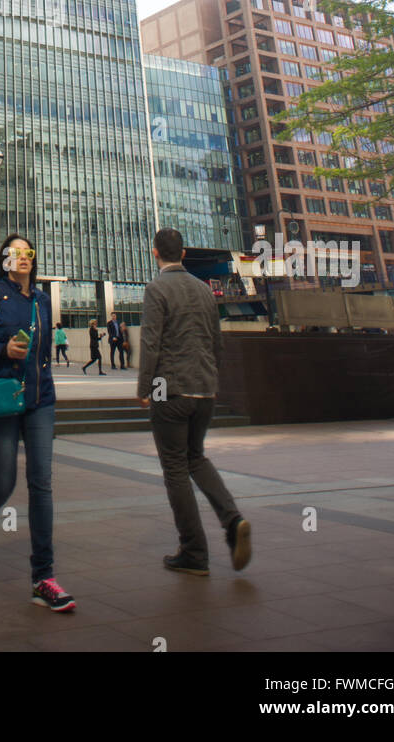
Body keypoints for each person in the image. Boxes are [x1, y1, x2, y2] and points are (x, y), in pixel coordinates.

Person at [0, 234, 76, 612]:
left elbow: (43, 355)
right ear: (5, 260)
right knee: (4, 481)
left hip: (40, 400)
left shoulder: (43, 300)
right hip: (2, 397)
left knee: (41, 484)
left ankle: (43, 577)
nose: (23, 257)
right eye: (15, 253)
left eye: (28, 252)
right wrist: (2, 349)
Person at [137, 228, 252, 577]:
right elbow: (216, 340)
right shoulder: (204, 290)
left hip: (169, 389)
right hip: (204, 390)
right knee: (196, 458)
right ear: (183, 254)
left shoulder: (157, 289)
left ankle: (194, 552)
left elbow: (151, 344)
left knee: (174, 469)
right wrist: (212, 381)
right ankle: (232, 520)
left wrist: (146, 390)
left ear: (156, 253)